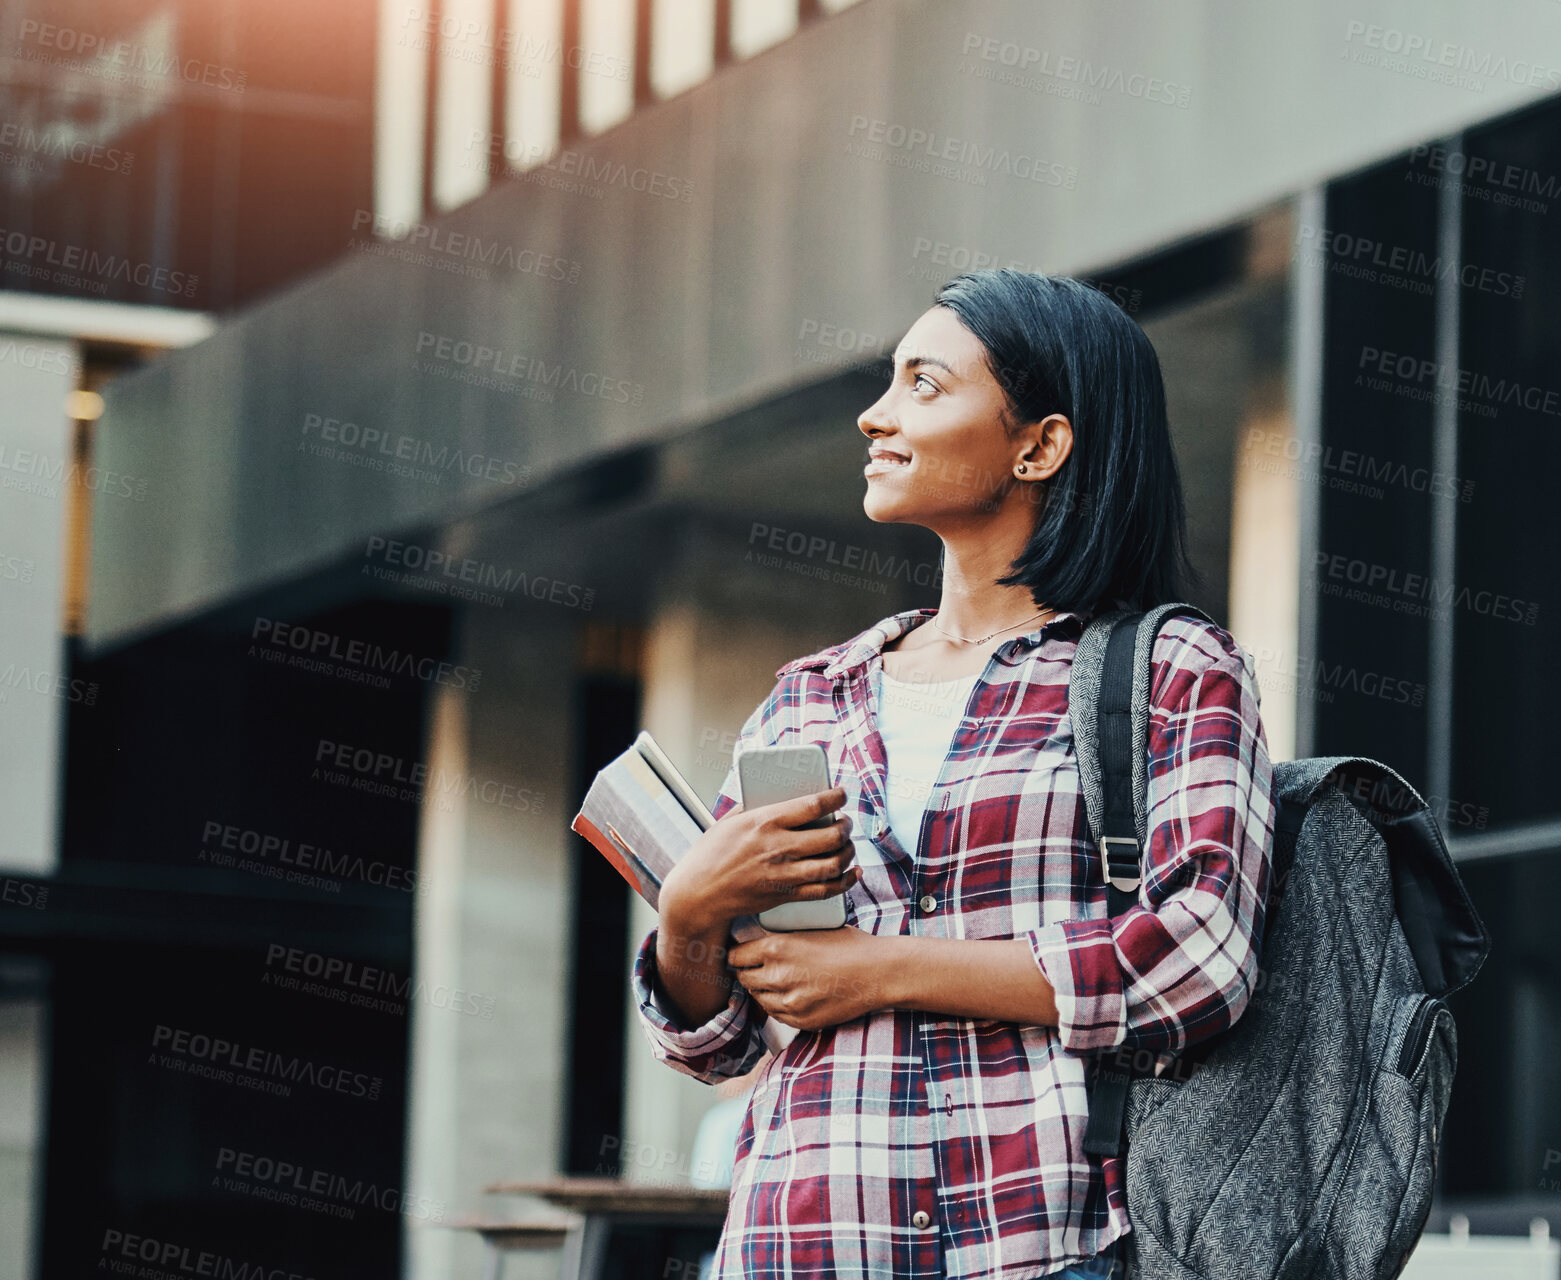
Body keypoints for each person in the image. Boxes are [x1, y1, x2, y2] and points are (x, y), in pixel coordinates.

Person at [630, 270, 1276, 1280]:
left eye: (923, 384)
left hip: (1044, 1241)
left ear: (1039, 445)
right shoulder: (812, 697)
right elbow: (717, 1043)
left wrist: (880, 967)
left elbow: (1195, 961)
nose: (874, 415)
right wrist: (689, 914)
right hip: (801, 1237)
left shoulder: (1168, 671)